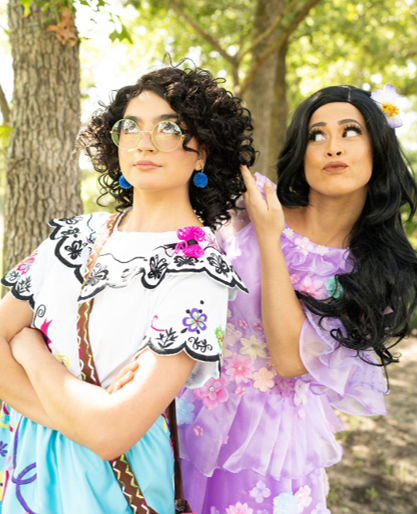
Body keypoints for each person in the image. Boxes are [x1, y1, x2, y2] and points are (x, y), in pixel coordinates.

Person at [0, 65, 255, 514]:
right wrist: (81, 417)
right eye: (131, 126)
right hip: (29, 467)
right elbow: (96, 426)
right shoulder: (74, 236)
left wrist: (28, 348)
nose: (145, 142)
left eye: (170, 128)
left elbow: (111, 434)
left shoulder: (198, 267)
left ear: (202, 153)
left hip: (115, 484)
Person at [177, 84, 417, 513]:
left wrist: (270, 240)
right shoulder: (253, 204)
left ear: (378, 148)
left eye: (350, 132)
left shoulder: (379, 272)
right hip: (182, 411)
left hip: (266, 450)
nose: (332, 147)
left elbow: (289, 359)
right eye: (316, 135)